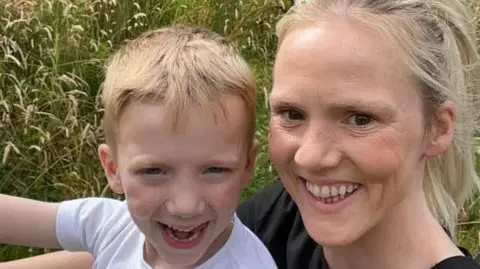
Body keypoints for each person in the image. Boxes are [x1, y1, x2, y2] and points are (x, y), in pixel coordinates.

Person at [2, 0, 480, 268]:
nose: (311, 157)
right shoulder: (289, 214)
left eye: (359, 118)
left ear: (437, 129)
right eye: (291, 113)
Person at [0, 24, 278, 269]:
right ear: (113, 168)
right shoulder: (116, 225)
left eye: (214, 169)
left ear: (248, 164)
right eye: (154, 171)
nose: (185, 206)